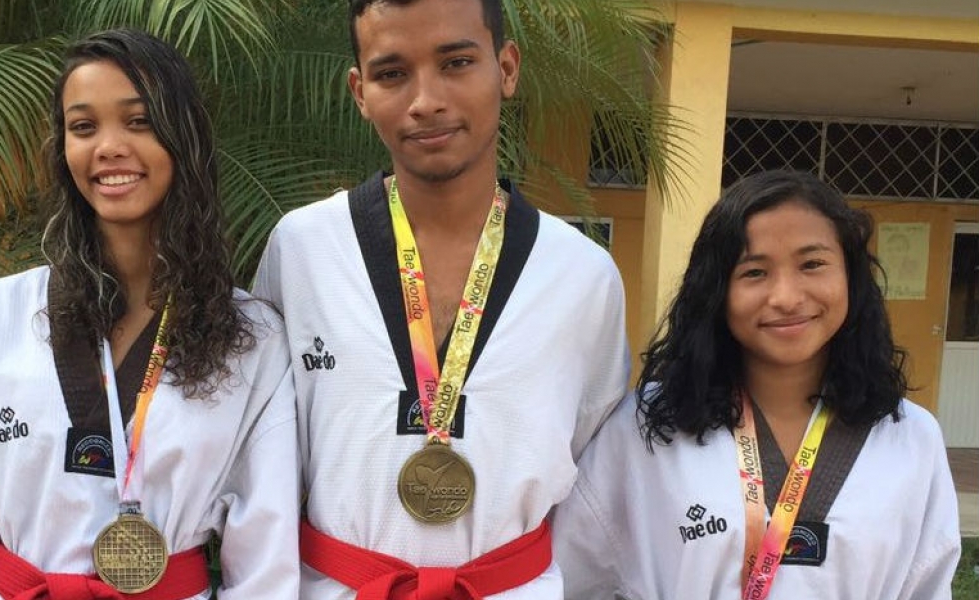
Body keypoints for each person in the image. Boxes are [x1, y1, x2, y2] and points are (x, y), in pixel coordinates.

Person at [0, 29, 300, 600]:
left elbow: (265, 564)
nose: (108, 146)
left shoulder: (252, 338)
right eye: (83, 127)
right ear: (64, 150)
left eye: (138, 121)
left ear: (184, 138)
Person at [251, 0, 630, 598]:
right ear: (359, 90)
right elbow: (264, 459)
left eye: (455, 63)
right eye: (392, 73)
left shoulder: (583, 276)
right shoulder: (301, 250)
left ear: (506, 69)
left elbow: (593, 481)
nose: (425, 100)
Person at [553, 170, 961, 599]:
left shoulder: (911, 437)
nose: (785, 296)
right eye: (754, 272)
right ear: (716, 290)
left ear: (852, 278)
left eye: (812, 264)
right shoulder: (645, 431)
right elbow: (576, 578)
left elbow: (927, 587)